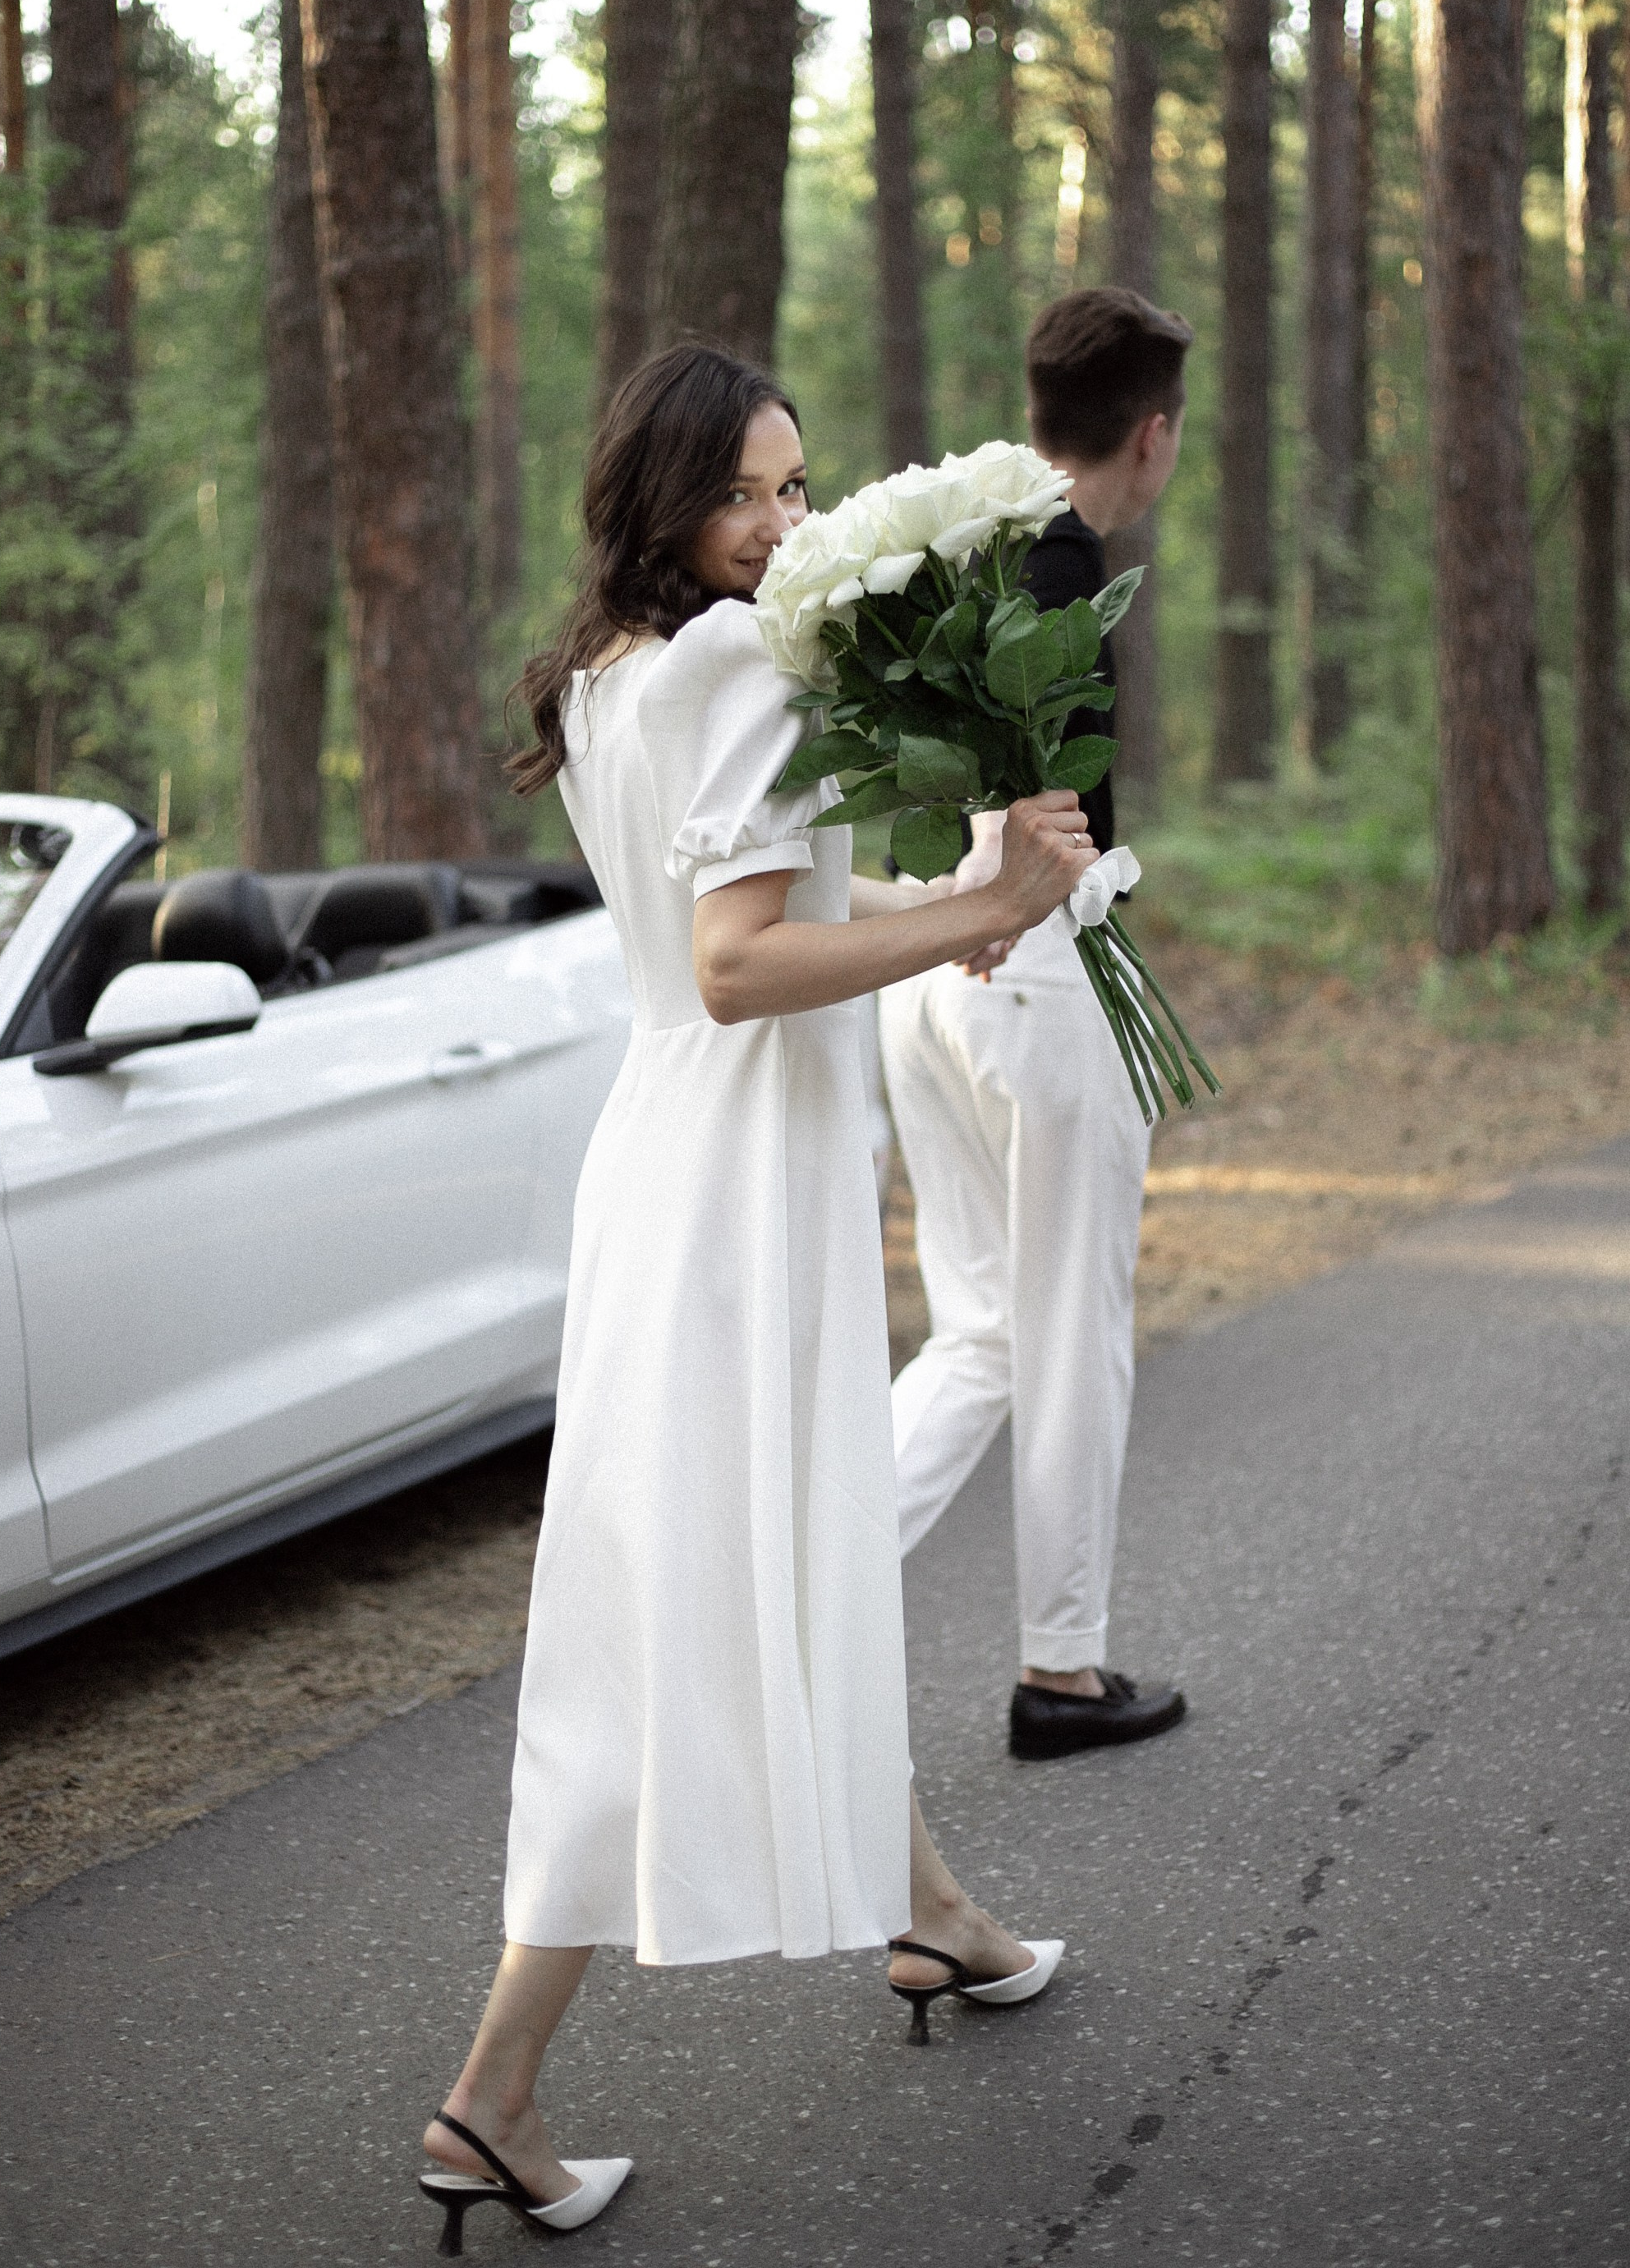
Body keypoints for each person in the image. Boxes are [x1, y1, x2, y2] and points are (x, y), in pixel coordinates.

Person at [416, 344, 1098, 2241]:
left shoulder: (615, 672)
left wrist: (930, 924)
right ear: (661, 500)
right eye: (746, 496)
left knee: (757, 1567)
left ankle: (935, 1918)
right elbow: (733, 964)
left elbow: (755, 923)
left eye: (798, 491)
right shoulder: (728, 663)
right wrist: (982, 912)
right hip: (729, 1184)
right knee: (681, 1613)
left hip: (677, 1164)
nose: (783, 527)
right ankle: (491, 2091)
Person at [878, 287, 1194, 1764]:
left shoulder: (967, 548)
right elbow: (1043, 810)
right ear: (1153, 433)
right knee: (1073, 1335)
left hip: (930, 974)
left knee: (988, 1332)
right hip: (1034, 969)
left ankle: (793, 1592)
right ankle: (1062, 1675)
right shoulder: (1062, 564)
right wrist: (1027, 905)